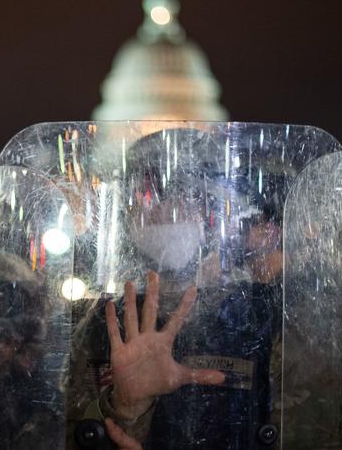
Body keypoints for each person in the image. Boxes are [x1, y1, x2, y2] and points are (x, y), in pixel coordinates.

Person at [68, 128, 285, 449]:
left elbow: (315, 430)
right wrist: (127, 409)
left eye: (189, 194)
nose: (167, 210)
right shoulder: (105, 323)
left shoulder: (266, 318)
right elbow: (61, 432)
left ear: (216, 211)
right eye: (148, 196)